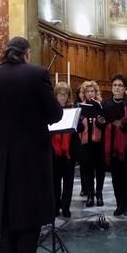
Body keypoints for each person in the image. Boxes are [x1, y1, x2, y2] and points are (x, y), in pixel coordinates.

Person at [0, 37, 63, 253]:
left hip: (1, 158)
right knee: (29, 216)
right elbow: (55, 115)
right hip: (31, 158)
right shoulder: (36, 74)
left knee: (6, 217)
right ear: (26, 53)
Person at [102, 73, 127, 216]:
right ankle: (119, 205)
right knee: (116, 178)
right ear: (111, 88)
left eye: (120, 86)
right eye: (115, 85)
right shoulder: (106, 104)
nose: (117, 88)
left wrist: (122, 124)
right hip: (112, 146)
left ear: (125, 88)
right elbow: (103, 123)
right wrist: (102, 123)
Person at [51, 82, 80, 218]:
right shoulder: (50, 111)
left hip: (69, 152)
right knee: (55, 181)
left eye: (65, 95)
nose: (63, 97)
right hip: (54, 152)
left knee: (68, 181)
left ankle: (66, 206)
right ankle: (56, 206)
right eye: (60, 94)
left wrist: (77, 123)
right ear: (55, 95)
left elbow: (80, 129)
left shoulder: (72, 110)